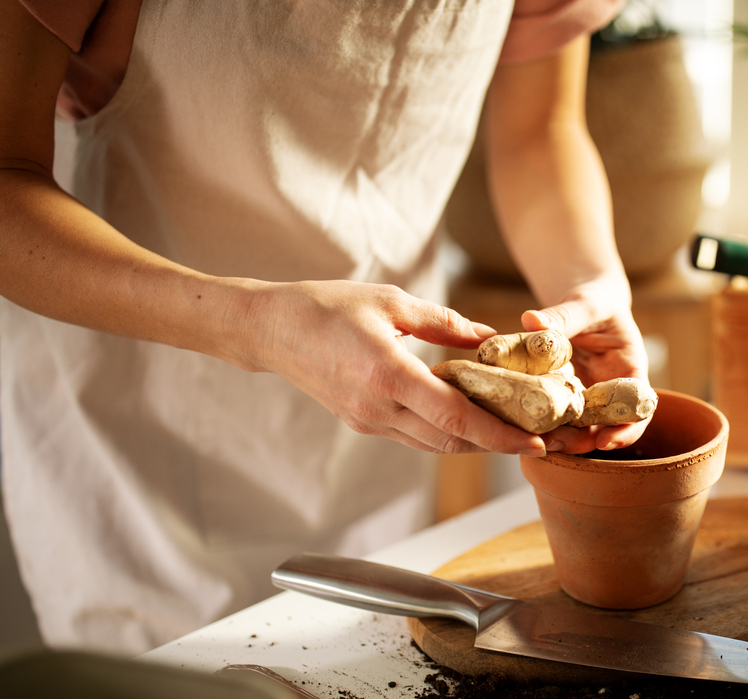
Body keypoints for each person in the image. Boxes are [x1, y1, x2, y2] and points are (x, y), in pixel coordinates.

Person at [0, 0, 651, 653]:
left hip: (379, 418)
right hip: (134, 422)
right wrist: (259, 326)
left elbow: (536, 132)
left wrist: (590, 282)